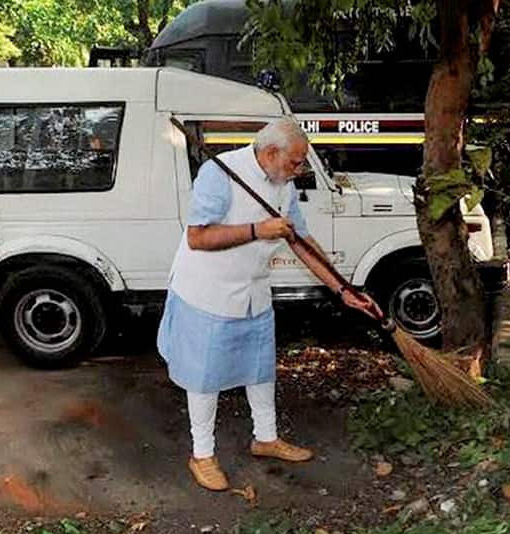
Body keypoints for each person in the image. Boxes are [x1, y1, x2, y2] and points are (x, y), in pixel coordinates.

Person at [158, 118, 379, 491]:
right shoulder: (220, 173)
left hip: (253, 289)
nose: (300, 170)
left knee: (260, 368)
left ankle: (266, 438)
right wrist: (257, 230)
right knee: (204, 378)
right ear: (271, 152)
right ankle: (202, 454)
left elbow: (300, 240)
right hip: (207, 291)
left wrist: (342, 288)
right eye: (295, 162)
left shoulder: (282, 183)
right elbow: (197, 237)